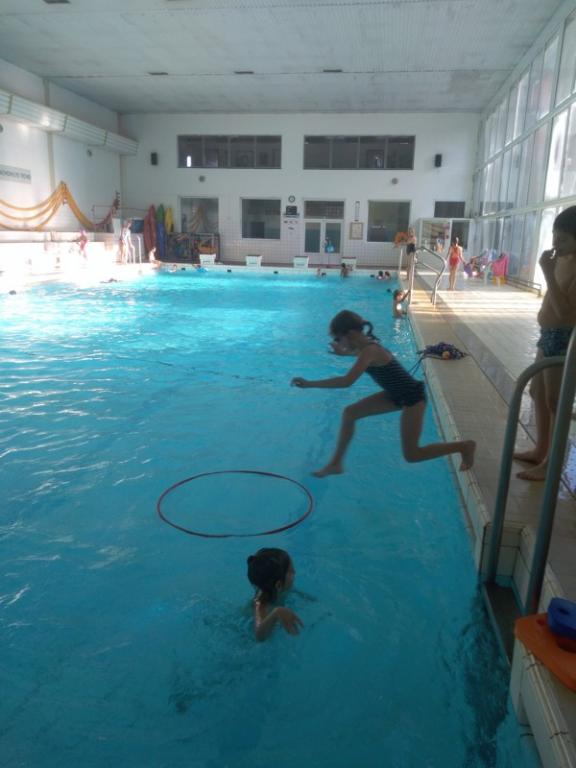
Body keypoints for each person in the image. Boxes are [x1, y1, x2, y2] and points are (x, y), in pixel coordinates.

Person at [291, 310, 475, 478]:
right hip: (394, 395)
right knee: (350, 413)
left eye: (339, 339)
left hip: (412, 398)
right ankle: (336, 463)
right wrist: (343, 353)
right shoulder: (365, 347)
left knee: (412, 455)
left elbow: (347, 381)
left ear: (351, 334)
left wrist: (310, 384)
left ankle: (463, 446)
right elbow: (357, 353)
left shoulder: (370, 350)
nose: (339, 343)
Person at [513, 207, 576, 481]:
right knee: (537, 392)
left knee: (556, 402)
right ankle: (540, 450)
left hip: (565, 339)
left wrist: (547, 274)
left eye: (563, 239)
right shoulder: (561, 260)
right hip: (548, 334)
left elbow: (564, 312)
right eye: (554, 236)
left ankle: (552, 464)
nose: (556, 244)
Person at [247, 548, 302, 641]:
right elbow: (259, 636)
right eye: (291, 571)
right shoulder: (260, 604)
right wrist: (277, 612)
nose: (295, 572)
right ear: (279, 585)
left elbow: (295, 592)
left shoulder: (282, 588)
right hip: (245, 637)